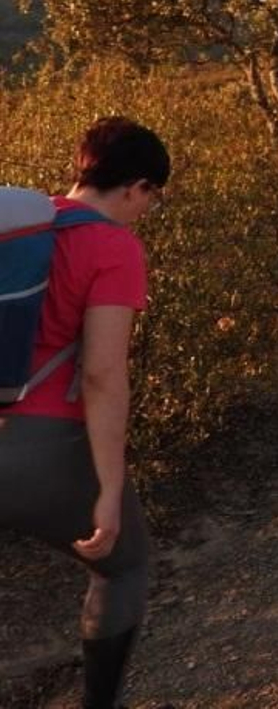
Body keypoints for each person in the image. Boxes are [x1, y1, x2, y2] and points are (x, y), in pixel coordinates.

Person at [0, 118, 168, 709]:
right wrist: (108, 486)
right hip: (39, 446)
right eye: (153, 197)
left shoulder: (23, 227)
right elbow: (101, 375)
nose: (147, 210)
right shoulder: (112, 246)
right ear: (136, 187)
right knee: (122, 567)